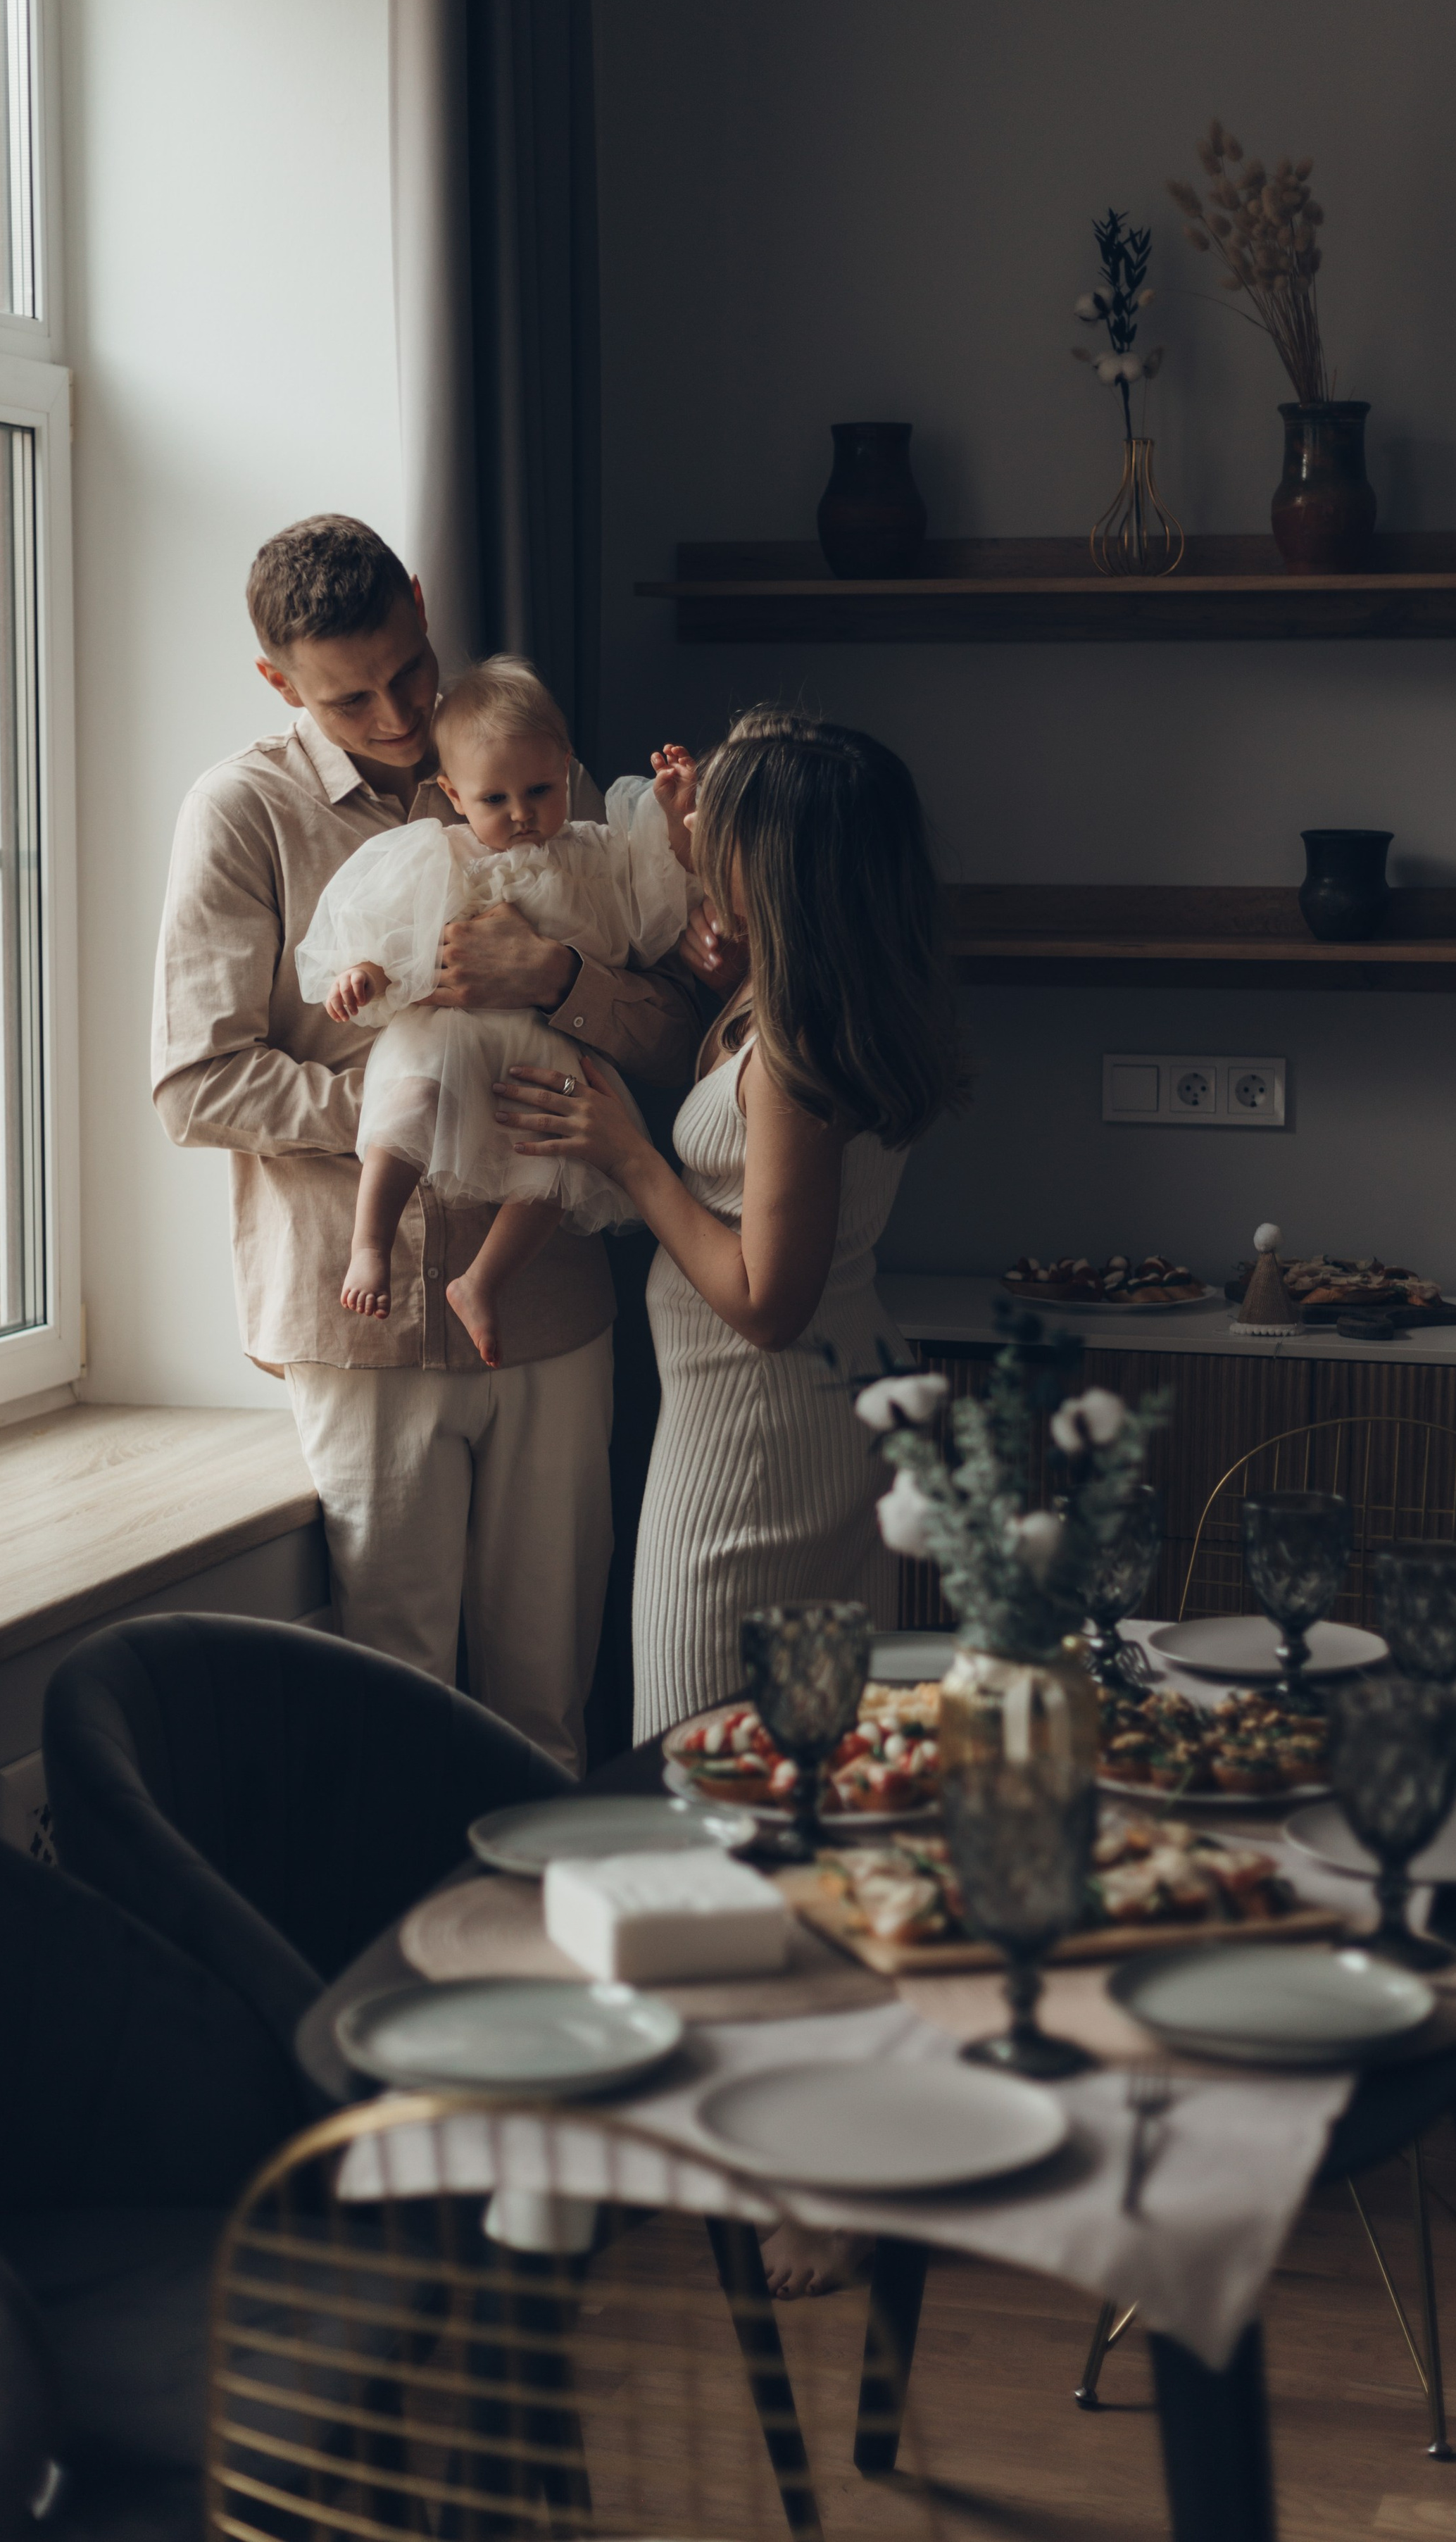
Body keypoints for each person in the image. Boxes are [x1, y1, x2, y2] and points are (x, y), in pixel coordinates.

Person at [151, 514, 705, 1775]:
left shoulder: (521, 763)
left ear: (418, 599)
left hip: (556, 1303)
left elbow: (675, 1038)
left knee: (550, 1704)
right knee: (394, 1711)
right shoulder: (244, 813)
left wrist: (558, 980)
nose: (400, 714)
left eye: (409, 668)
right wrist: (437, 1108)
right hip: (366, 1321)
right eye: (352, 697)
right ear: (279, 684)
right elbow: (194, 1083)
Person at [490, 708, 967, 1741]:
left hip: (752, 1438)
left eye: (724, 827)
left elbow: (767, 1303)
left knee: (694, 1758)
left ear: (779, 869)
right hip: (805, 1417)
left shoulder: (796, 1055)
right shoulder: (814, 993)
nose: (698, 834)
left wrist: (631, 1156)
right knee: (813, 1752)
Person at [296, 653, 699, 1368]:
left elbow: (652, 913)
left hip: (543, 1044)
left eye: (539, 790)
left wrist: (671, 824)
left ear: (567, 767)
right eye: (493, 801)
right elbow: (385, 927)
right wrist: (360, 971)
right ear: (453, 794)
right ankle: (370, 1242)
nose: (519, 815)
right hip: (447, 1038)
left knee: (555, 1168)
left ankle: (480, 1282)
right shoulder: (438, 855)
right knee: (407, 1105)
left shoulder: (599, 856)